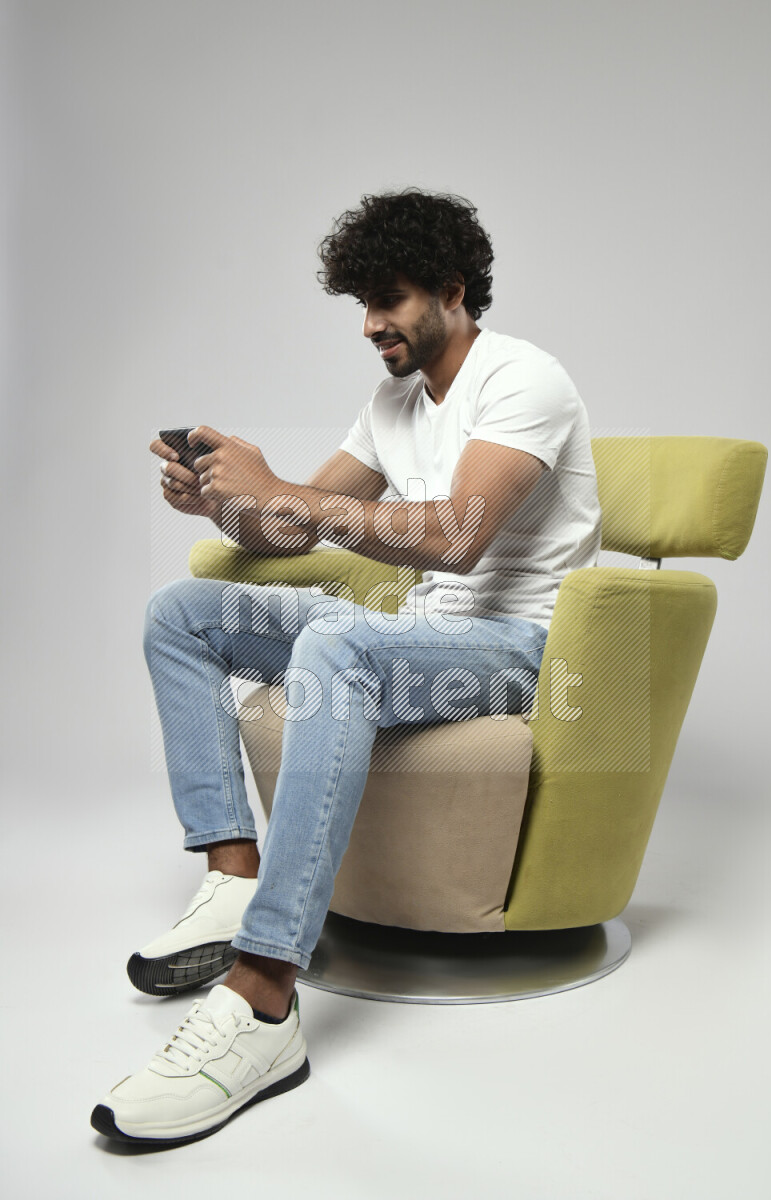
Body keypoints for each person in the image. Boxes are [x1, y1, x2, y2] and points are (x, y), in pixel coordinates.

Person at [91, 189, 602, 1148]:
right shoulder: (395, 401)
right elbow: (294, 524)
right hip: (418, 637)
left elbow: (456, 540)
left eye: (391, 299)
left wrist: (279, 490)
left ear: (453, 291)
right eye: (361, 303)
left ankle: (264, 996)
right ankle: (235, 873)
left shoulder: (522, 379)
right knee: (184, 614)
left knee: (338, 641)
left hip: (519, 651)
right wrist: (220, 503)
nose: (371, 324)